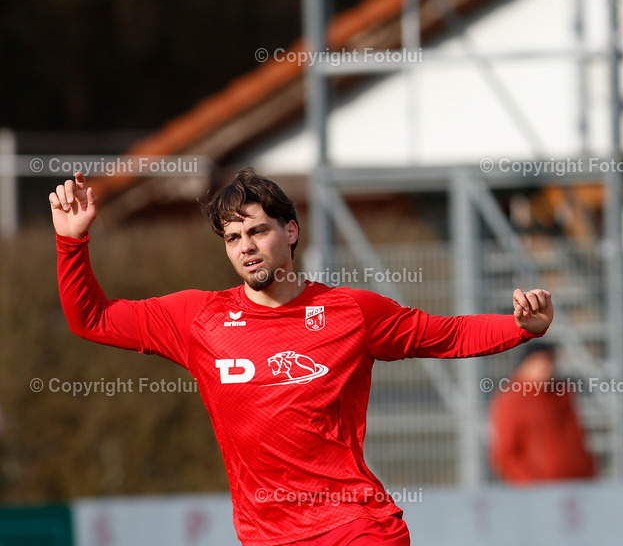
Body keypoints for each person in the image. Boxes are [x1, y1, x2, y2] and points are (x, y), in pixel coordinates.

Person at [50, 168, 554, 546]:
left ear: (290, 232)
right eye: (233, 237)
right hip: (265, 535)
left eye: (257, 231)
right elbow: (91, 319)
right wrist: (72, 242)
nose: (246, 246)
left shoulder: (350, 311)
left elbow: (444, 334)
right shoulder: (197, 318)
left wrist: (519, 327)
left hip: (355, 526)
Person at [488, 341, 595, 484]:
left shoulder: (562, 394)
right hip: (538, 492)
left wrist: (588, 475)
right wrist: (531, 486)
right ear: (525, 365)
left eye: (549, 361)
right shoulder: (511, 400)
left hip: (576, 486)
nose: (546, 368)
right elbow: (506, 454)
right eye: (539, 362)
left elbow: (577, 440)